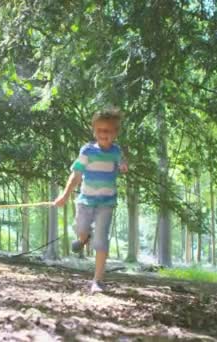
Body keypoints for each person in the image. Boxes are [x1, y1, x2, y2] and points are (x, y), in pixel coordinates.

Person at [53, 108, 128, 293]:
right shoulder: (87, 151)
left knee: (101, 239)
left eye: (109, 131)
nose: (104, 134)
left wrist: (124, 165)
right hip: (85, 201)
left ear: (115, 133)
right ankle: (84, 236)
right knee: (80, 228)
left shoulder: (116, 151)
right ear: (94, 131)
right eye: (100, 130)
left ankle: (97, 281)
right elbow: (76, 175)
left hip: (106, 203)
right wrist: (64, 195)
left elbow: (122, 163)